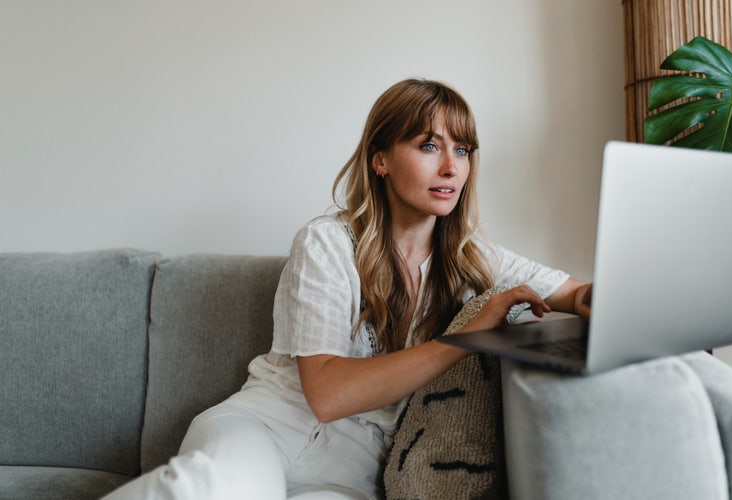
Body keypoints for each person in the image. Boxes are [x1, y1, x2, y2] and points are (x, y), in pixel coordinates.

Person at [104, 78, 592, 500]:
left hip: (354, 471)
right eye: (428, 145)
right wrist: (462, 343)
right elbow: (327, 394)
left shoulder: (471, 255)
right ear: (380, 159)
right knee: (217, 489)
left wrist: (600, 299)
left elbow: (572, 291)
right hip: (267, 428)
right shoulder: (327, 243)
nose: (451, 168)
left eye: (461, 150)